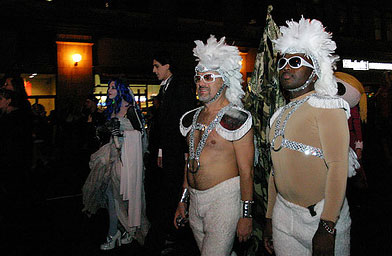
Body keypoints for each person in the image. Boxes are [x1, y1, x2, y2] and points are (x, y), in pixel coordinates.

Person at [263, 17, 356, 256]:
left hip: (321, 218)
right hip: (284, 217)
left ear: (314, 71)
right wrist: (270, 217)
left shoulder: (328, 107)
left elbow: (337, 166)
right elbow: (275, 170)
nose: (286, 67)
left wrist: (328, 225)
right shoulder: (278, 115)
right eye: (282, 61)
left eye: (295, 61)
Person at [174, 35, 254, 256]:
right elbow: (189, 160)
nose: (200, 83)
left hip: (224, 201)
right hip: (195, 202)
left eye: (208, 77)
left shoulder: (237, 118)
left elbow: (247, 171)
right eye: (198, 77)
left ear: (224, 80)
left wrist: (246, 214)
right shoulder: (192, 117)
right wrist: (183, 200)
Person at [82, 79, 149, 250]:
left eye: (113, 87)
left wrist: (122, 132)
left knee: (124, 199)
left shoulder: (131, 109)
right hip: (112, 157)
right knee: (112, 196)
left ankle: (125, 230)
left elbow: (142, 135)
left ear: (121, 90)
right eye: (109, 87)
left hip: (128, 161)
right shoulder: (112, 108)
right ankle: (114, 232)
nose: (109, 90)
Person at [145, 50, 196, 254]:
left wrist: (186, 153)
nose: (154, 70)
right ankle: (171, 236)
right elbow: (163, 125)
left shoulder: (181, 86)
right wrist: (160, 152)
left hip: (177, 153)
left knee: (174, 195)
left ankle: (173, 238)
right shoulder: (165, 87)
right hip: (167, 151)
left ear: (168, 66)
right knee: (167, 194)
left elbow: (185, 122)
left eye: (157, 66)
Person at [0, 88, 33, 248]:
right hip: (13, 163)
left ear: (8, 100)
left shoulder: (13, 119)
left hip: (13, 164)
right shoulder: (9, 117)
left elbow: (14, 145)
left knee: (14, 196)